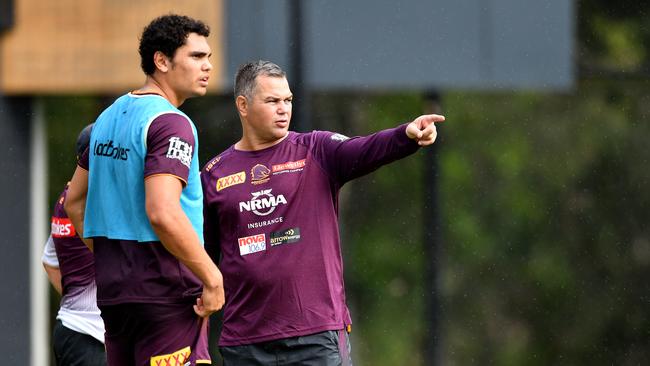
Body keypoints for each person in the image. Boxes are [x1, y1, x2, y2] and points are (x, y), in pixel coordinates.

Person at [201, 60, 445, 365]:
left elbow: (365, 148)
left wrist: (405, 136)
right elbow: (201, 262)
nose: (283, 109)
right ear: (243, 105)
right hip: (246, 343)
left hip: (316, 337)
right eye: (272, 101)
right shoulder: (213, 174)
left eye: (288, 100)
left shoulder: (315, 149)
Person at [64, 14, 224, 366]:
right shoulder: (172, 123)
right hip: (166, 292)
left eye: (208, 57)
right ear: (162, 61)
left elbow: (74, 201)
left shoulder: (105, 119)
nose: (208, 66)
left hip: (115, 291)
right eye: (196, 57)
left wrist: (115, 257)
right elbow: (162, 211)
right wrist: (212, 276)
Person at [42, 124, 107, 366]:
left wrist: (77, 303)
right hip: (91, 335)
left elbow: (49, 262)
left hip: (72, 328)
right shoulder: (93, 199)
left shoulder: (66, 199)